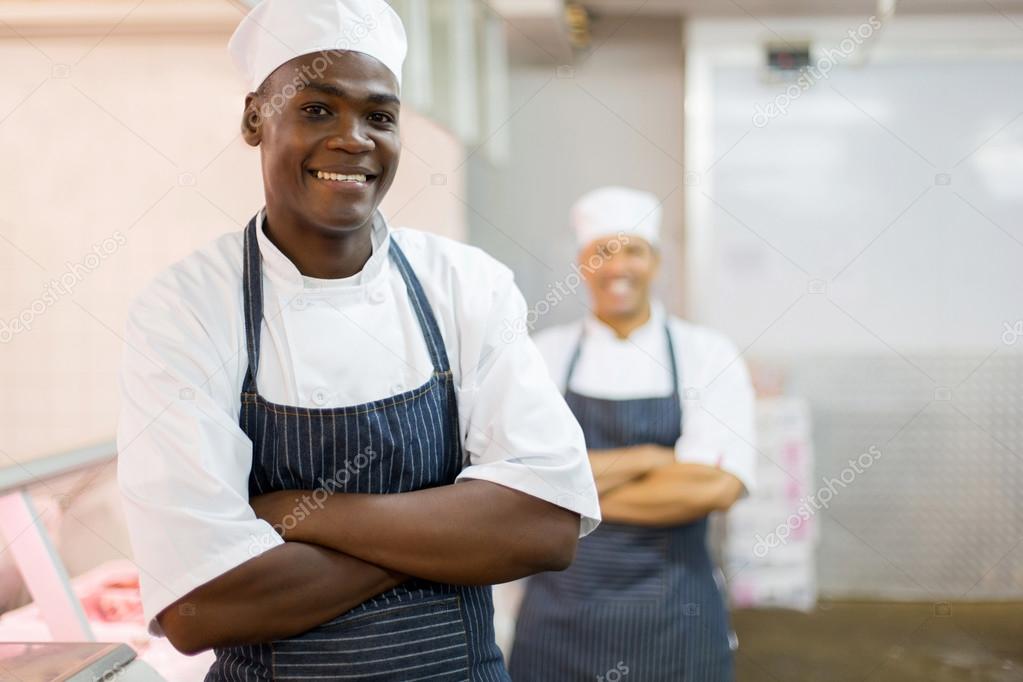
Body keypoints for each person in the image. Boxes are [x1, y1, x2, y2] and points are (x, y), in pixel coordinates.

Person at [115, 1, 600, 679]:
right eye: (317, 109)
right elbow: (199, 608)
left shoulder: (466, 285)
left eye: (379, 116)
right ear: (256, 117)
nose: (354, 139)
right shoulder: (187, 308)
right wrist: (451, 538)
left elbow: (544, 528)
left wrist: (298, 514)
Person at [508, 186, 756, 681]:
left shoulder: (706, 354)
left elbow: (717, 485)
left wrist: (567, 498)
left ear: (655, 263)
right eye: (601, 251)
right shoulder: (542, 356)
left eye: (633, 250)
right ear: (582, 263)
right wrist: (650, 456)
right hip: (560, 621)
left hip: (676, 615)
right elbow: (516, 481)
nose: (617, 267)